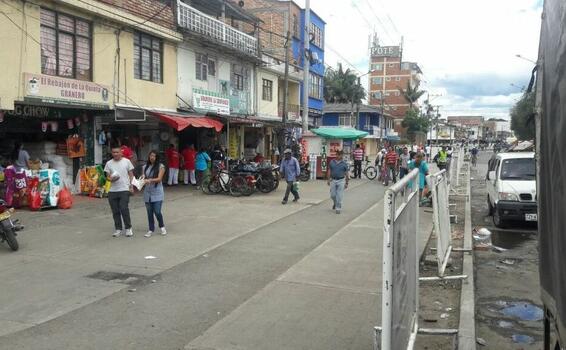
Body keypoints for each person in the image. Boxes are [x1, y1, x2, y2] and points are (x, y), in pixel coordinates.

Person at [104, 145, 135, 237]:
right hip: (112, 190)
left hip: (124, 189)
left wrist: (131, 186)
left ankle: (128, 228)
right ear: (111, 153)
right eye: (114, 152)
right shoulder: (109, 163)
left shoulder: (127, 162)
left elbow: (131, 175)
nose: (115, 154)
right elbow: (108, 177)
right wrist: (112, 179)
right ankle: (118, 229)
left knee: (124, 208)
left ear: (121, 153)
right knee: (115, 210)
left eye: (117, 152)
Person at [142, 150, 167, 238]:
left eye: (154, 156)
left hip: (157, 192)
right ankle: (150, 229)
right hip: (147, 192)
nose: (152, 157)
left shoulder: (161, 166)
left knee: (157, 211)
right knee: (149, 212)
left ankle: (162, 226)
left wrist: (150, 180)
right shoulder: (145, 166)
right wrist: (139, 182)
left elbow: (159, 179)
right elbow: (143, 178)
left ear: (157, 157)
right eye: (151, 156)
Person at [327, 150, 349, 214]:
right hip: (333, 180)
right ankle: (335, 203)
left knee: (339, 195)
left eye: (340, 155)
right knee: (333, 195)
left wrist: (347, 183)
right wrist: (328, 179)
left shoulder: (344, 163)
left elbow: (347, 173)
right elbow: (329, 171)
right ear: (336, 155)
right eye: (338, 155)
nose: (339, 156)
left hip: (341, 180)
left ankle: (338, 208)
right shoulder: (332, 162)